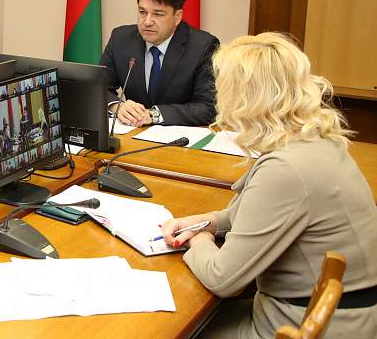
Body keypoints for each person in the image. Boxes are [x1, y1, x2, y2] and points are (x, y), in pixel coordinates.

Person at [160, 33, 377, 338]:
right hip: (328, 313)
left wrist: (199, 241)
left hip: (299, 324)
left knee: (165, 327)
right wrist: (209, 221)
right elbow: (257, 214)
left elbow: (223, 278)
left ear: (242, 98)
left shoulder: (285, 170)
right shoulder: (315, 141)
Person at [100, 0, 218, 127]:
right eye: (142, 12)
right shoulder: (121, 39)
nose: (147, 21)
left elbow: (208, 107)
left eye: (158, 14)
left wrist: (154, 115)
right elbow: (98, 88)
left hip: (177, 137)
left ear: (177, 17)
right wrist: (117, 106)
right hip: (131, 133)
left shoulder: (202, 46)